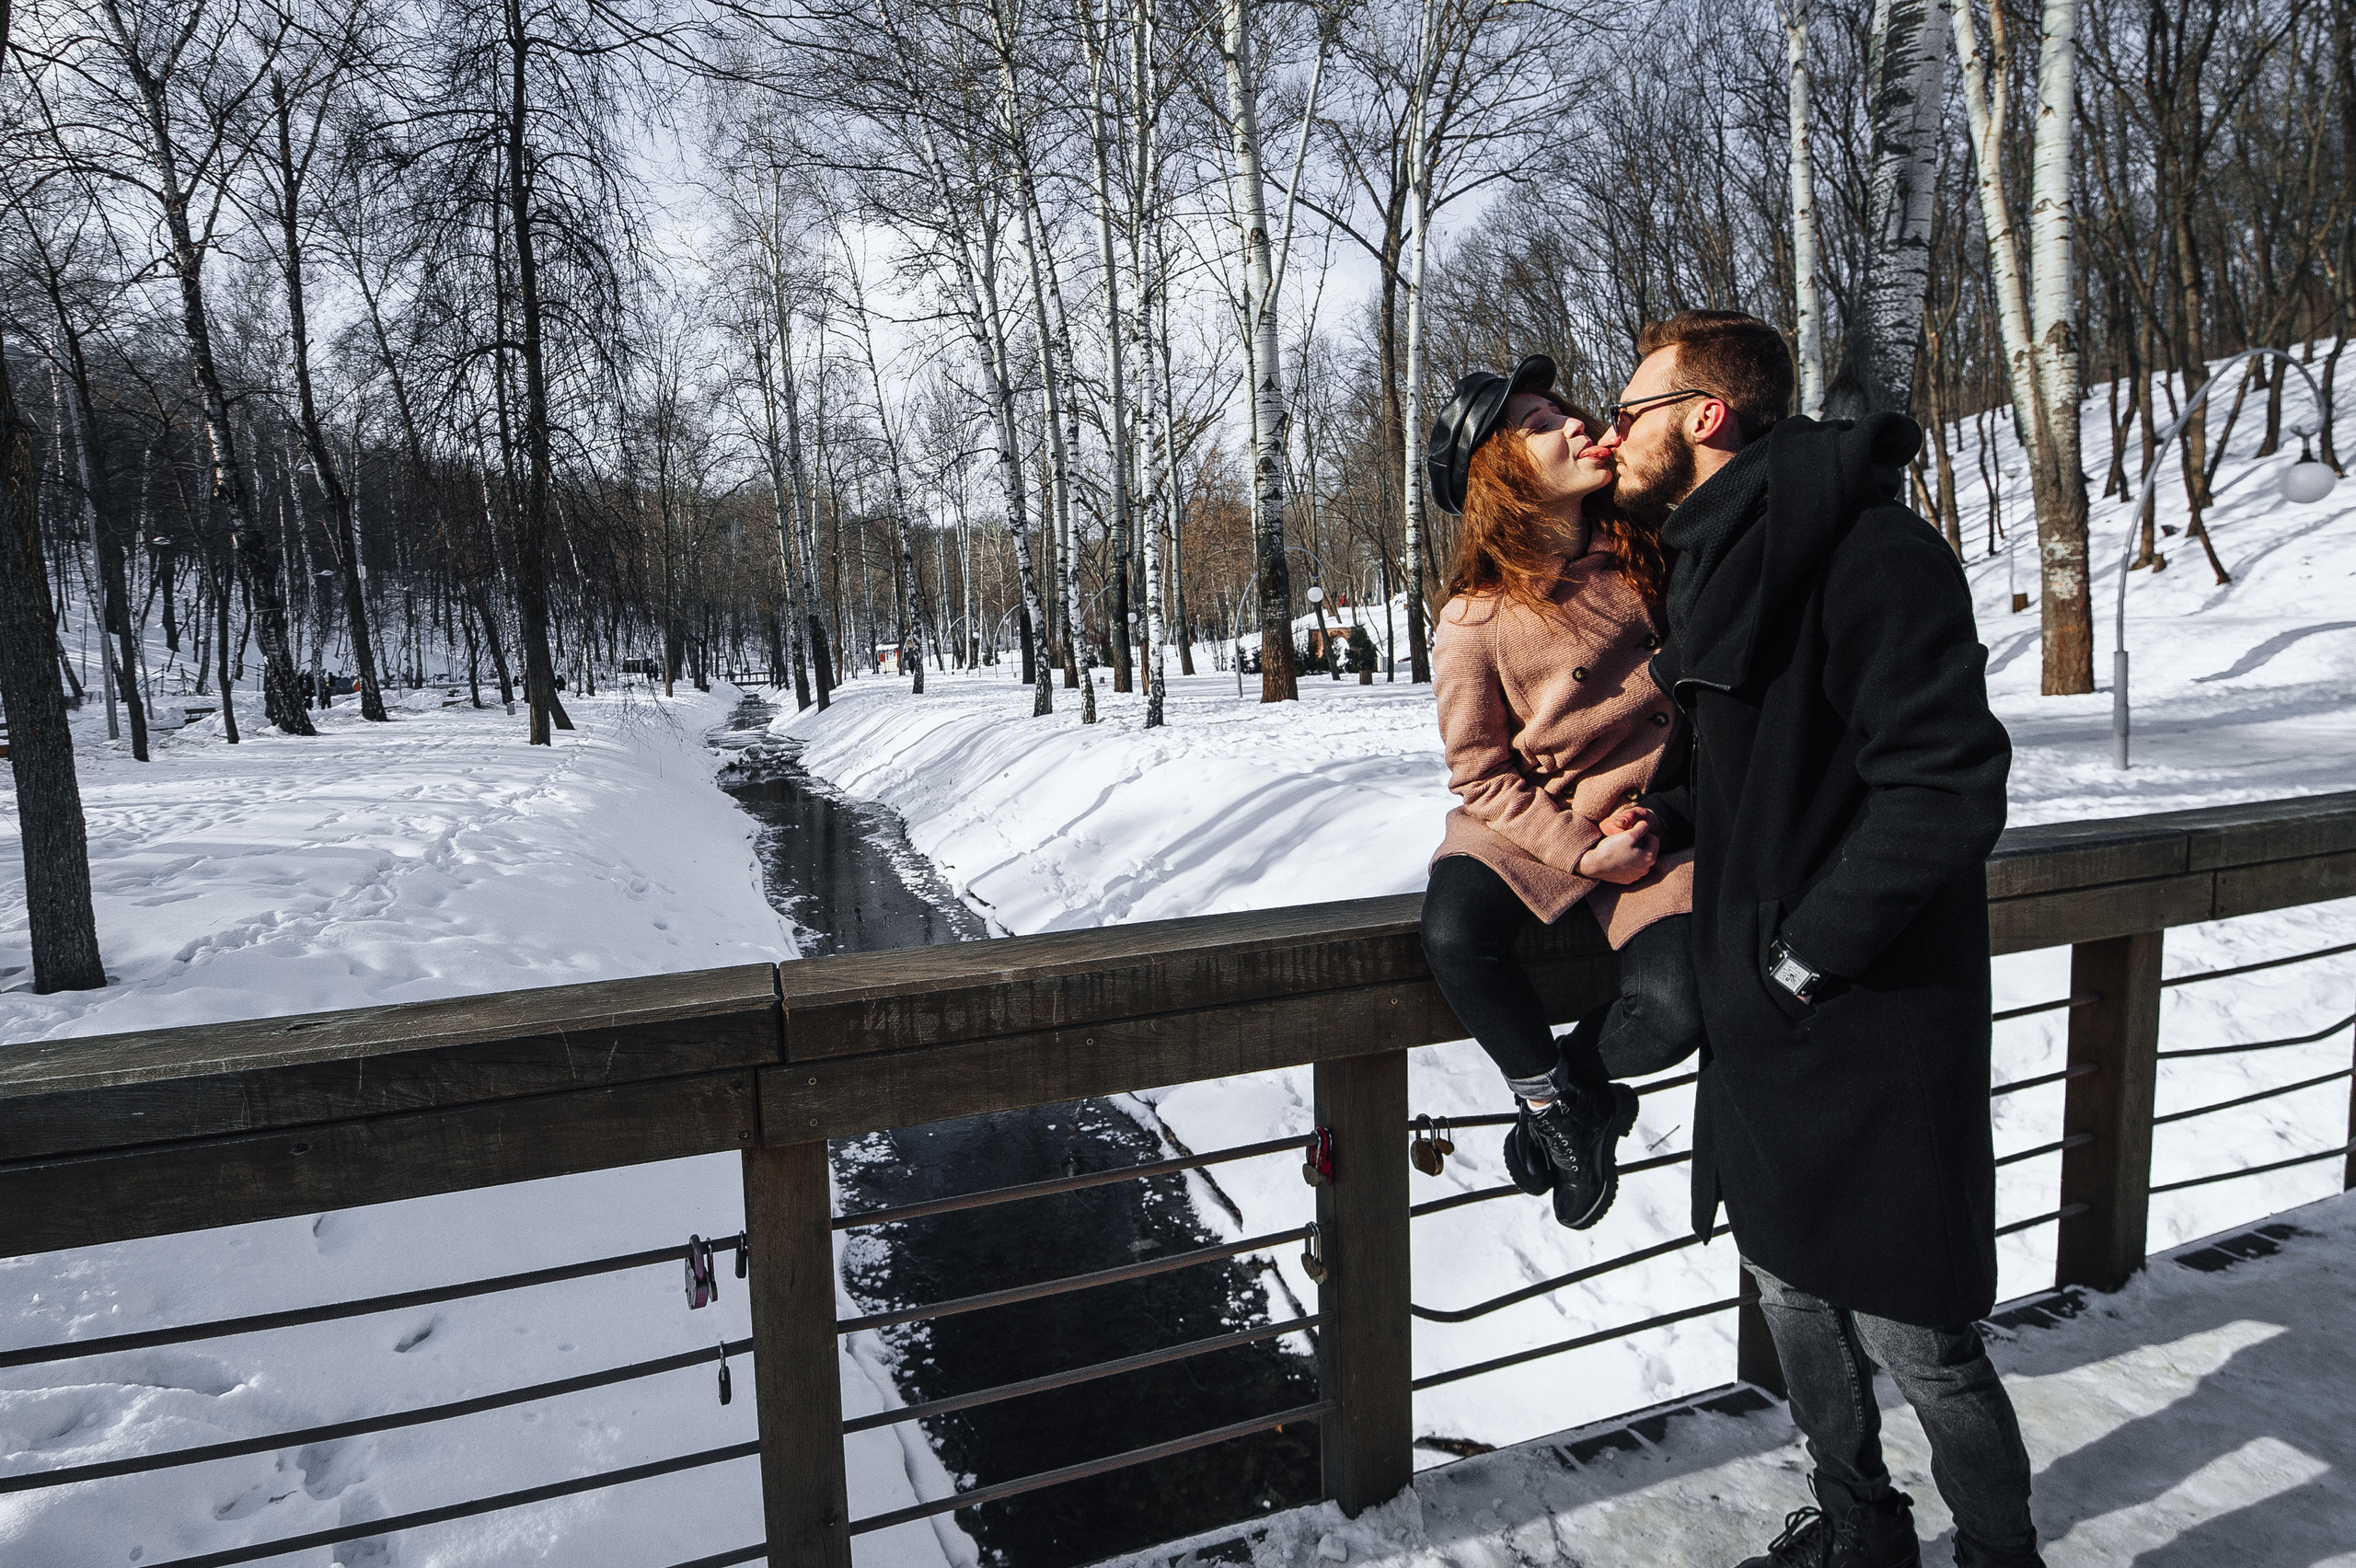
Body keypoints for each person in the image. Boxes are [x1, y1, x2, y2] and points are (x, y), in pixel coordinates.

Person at [1591, 311, 2034, 1568]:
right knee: (1787, 1289)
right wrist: (1669, 813)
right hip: (1764, 1027)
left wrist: (1801, 958)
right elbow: (1762, 771)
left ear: (1706, 415)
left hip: (1869, 1020)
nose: (1611, 437)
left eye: (1629, 412)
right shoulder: (1718, 562)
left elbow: (1946, 786)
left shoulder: (1870, 549)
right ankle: (1859, 1534)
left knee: (1919, 1337)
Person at [1418, 354, 1706, 1232]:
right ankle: (1551, 1108)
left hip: (1650, 811)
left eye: (1563, 411)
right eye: (1540, 425)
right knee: (1453, 931)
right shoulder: (1473, 620)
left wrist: (1661, 812)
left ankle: (1575, 1092)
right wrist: (1582, 852)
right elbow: (1480, 772)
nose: (1576, 423)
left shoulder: (1656, 551)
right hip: (1533, 815)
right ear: (1499, 478)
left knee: (1675, 1009)